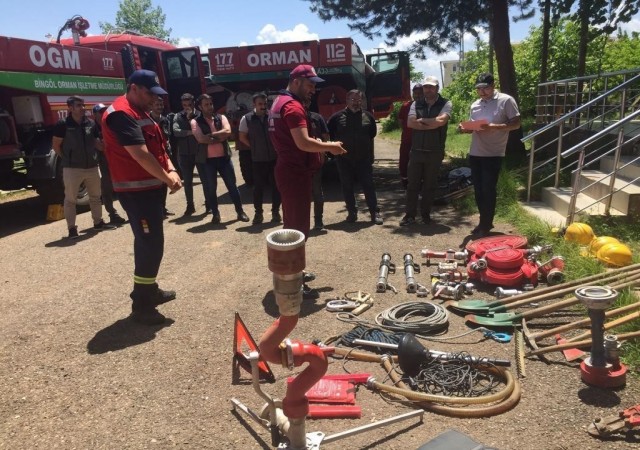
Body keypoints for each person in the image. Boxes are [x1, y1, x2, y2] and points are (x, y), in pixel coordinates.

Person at [101, 69, 182, 326]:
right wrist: (168, 178)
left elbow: (158, 148)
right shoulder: (122, 114)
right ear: (134, 87)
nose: (153, 99)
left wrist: (170, 168)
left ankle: (148, 290)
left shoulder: (141, 112)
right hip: (136, 193)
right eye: (149, 93)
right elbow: (140, 154)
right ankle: (142, 304)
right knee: (149, 244)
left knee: (150, 243)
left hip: (149, 190)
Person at [268, 64, 346, 239]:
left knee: (292, 222)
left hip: (288, 168)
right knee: (298, 227)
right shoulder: (293, 107)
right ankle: (293, 266)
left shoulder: (279, 101)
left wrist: (315, 142)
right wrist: (329, 146)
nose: (314, 89)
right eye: (310, 85)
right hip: (295, 172)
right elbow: (303, 143)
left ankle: (292, 265)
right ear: (296, 82)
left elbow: (291, 139)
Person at [459, 72, 521, 236]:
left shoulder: (506, 100)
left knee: (488, 189)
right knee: (478, 190)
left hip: (494, 152)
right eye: (479, 89)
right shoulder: (475, 105)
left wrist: (493, 127)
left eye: (485, 88)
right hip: (476, 152)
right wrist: (464, 129)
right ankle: (484, 221)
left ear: (493, 85)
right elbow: (473, 126)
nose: (482, 92)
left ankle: (486, 224)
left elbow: (516, 124)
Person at [52, 96, 115, 239]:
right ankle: (72, 229)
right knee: (70, 200)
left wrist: (105, 145)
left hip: (92, 167)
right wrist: (67, 159)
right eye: (79, 105)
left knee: (95, 196)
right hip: (72, 169)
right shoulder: (63, 124)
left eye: (83, 105)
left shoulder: (90, 123)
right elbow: (56, 145)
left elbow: (96, 142)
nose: (83, 108)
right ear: (70, 108)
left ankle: (98, 222)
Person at [400, 76, 452, 226]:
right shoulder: (416, 103)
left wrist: (422, 122)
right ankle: (409, 215)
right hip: (416, 151)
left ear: (437, 88)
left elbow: (442, 121)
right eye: (426, 87)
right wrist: (433, 123)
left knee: (430, 185)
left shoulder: (446, 103)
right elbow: (410, 123)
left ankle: (426, 215)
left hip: (435, 151)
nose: (428, 90)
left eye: (431, 87)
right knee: (412, 186)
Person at [191, 94, 249, 224]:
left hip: (224, 159)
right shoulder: (195, 122)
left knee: (232, 186)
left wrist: (211, 135)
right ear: (200, 107)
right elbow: (200, 139)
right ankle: (215, 214)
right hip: (208, 161)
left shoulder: (221, 117)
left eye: (211, 103)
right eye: (206, 104)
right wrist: (219, 136)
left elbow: (228, 132)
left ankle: (240, 212)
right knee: (211, 189)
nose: (210, 106)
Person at [327, 89, 383, 225]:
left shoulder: (368, 117)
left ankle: (374, 212)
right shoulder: (336, 118)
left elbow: (371, 135)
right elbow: (330, 136)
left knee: (368, 185)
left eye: (359, 100)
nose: (356, 103)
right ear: (347, 101)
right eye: (353, 100)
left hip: (363, 159)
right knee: (347, 186)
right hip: (344, 159)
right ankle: (352, 212)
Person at [238, 92, 281, 225]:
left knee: (276, 187)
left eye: (265, 103)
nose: (263, 106)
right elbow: (242, 136)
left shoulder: (273, 116)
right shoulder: (247, 119)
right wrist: (253, 146)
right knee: (258, 188)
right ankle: (258, 213)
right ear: (254, 105)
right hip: (258, 160)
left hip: (274, 158)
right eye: (260, 104)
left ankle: (275, 212)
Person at [172, 93, 210, 216]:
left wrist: (190, 119)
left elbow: (205, 130)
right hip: (184, 154)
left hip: (199, 152)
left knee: (205, 180)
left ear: (194, 104)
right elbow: (176, 131)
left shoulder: (200, 115)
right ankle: (190, 205)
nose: (187, 107)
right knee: (187, 182)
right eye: (184, 105)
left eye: (189, 104)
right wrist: (191, 132)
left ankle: (209, 203)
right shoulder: (178, 116)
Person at [92, 103, 127, 225]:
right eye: (100, 112)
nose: (103, 114)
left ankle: (131, 211)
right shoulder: (93, 128)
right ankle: (113, 214)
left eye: (104, 111)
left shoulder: (110, 125)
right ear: (95, 114)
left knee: (123, 187)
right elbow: (100, 146)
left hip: (116, 159)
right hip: (103, 162)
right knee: (107, 190)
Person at [305, 100, 330, 231]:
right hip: (299, 163)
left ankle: (318, 221)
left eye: (308, 102)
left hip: (315, 161)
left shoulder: (317, 117)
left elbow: (326, 136)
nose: (305, 104)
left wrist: (323, 153)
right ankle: (301, 222)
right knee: (301, 193)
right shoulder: (293, 118)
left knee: (316, 191)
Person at [150, 97, 175, 218]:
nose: (159, 107)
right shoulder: (147, 119)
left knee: (164, 183)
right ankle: (156, 209)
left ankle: (163, 208)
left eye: (161, 105)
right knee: (155, 184)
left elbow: (168, 137)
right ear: (152, 105)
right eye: (157, 104)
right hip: (152, 156)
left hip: (165, 154)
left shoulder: (165, 120)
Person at [398, 84, 425, 190]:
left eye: (420, 93)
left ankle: (420, 183)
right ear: (412, 94)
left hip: (421, 141)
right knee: (404, 160)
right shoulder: (405, 106)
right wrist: (406, 131)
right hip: (407, 139)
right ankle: (405, 181)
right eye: (415, 93)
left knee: (420, 162)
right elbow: (400, 122)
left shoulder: (426, 107)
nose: (417, 95)